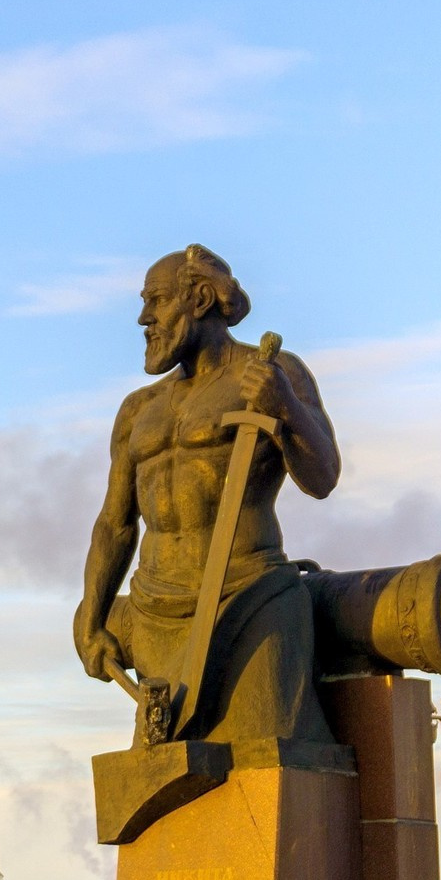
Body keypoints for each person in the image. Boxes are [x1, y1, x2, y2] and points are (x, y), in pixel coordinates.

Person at [73, 245, 341, 748]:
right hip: (157, 612)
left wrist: (285, 406)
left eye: (156, 300)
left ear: (198, 300)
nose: (144, 319)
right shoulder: (138, 410)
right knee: (163, 777)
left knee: (269, 759)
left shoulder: (272, 372)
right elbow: (115, 524)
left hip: (248, 597)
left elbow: (323, 477)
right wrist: (91, 620)